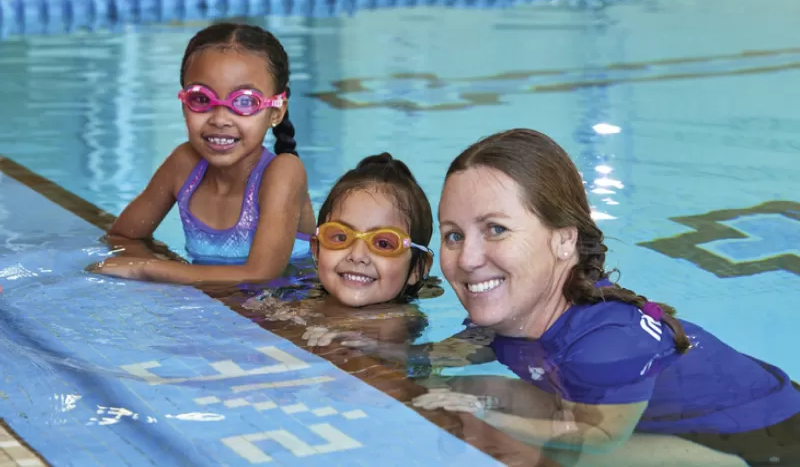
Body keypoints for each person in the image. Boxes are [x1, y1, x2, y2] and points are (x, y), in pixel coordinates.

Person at [346, 129, 800, 466]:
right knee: (461, 391)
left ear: (564, 240)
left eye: (496, 229)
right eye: (453, 235)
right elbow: (434, 361)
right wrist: (360, 350)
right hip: (681, 422)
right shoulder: (513, 317)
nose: (468, 259)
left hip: (765, 441)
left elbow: (596, 437)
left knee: (546, 449)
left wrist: (482, 412)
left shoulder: (607, 340)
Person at [89, 23, 316, 285]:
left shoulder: (284, 172)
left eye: (244, 102)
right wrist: (174, 268)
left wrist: (148, 269)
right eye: (201, 99)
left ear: (275, 111)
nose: (220, 119)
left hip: (291, 310)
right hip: (219, 307)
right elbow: (123, 236)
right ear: (184, 104)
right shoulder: (184, 165)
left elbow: (260, 275)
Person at [244, 153, 440, 351]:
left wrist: (370, 346)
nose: (357, 255)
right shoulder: (306, 300)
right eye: (340, 237)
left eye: (383, 243)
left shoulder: (397, 321)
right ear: (317, 249)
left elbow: (399, 358)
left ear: (417, 268)